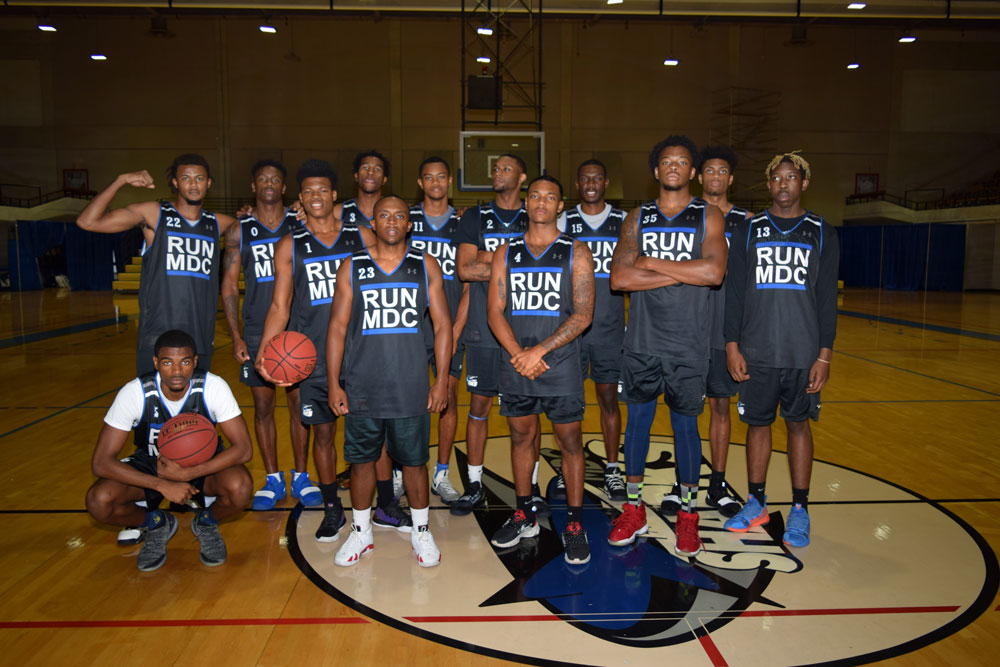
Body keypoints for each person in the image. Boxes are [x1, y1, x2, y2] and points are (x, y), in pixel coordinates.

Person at [608, 136, 727, 557]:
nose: (674, 167)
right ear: (656, 171)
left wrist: (653, 263)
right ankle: (634, 509)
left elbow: (714, 272)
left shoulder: (707, 215)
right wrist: (685, 272)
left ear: (692, 172)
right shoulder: (637, 217)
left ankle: (688, 518)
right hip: (641, 341)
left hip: (688, 344)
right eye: (666, 162)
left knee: (685, 430)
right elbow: (619, 278)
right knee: (637, 426)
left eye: (682, 162)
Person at [326, 195, 452, 567]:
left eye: (400, 215)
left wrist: (441, 379)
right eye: (385, 215)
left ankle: (421, 531)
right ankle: (361, 532)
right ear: (374, 223)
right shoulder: (352, 266)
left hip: (411, 384)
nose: (393, 221)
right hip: (363, 385)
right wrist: (334, 382)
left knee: (414, 462)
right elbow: (336, 327)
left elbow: (443, 325)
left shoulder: (424, 264)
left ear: (409, 224)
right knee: (362, 461)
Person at [723, 152, 839, 548]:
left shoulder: (821, 230)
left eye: (791, 177)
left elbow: (826, 299)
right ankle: (755, 502)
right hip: (756, 350)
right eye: (777, 178)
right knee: (757, 425)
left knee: (798, 425)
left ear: (804, 183)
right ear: (768, 184)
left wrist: (824, 355)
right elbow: (734, 292)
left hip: (803, 352)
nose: (784, 184)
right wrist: (732, 345)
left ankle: (800, 508)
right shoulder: (750, 228)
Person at [256, 159, 370, 542]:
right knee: (323, 436)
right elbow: (279, 306)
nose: (316, 196)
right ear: (300, 198)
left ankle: (378, 502)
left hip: (360, 353)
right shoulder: (291, 244)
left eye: (323, 190)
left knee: (371, 436)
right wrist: (265, 351)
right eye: (309, 192)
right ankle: (333, 508)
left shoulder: (360, 237)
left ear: (335, 195)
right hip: (312, 359)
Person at [486, 175, 595, 565]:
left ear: (561, 205)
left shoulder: (576, 252)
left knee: (569, 443)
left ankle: (575, 524)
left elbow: (583, 314)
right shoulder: (506, 252)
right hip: (516, 363)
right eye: (535, 196)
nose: (542, 202)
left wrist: (540, 351)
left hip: (560, 364)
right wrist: (519, 353)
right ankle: (524, 512)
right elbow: (495, 311)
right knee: (520, 438)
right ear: (526, 203)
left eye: (551, 196)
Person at [84, 329, 253, 571]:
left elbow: (244, 449)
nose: (176, 371)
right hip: (153, 466)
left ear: (195, 362)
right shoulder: (135, 392)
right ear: (155, 362)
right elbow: (101, 462)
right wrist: (163, 484)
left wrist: (188, 474)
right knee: (98, 500)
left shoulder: (212, 387)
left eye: (184, 362)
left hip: (203, 467)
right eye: (167, 362)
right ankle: (156, 523)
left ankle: (206, 522)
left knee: (241, 487)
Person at [77, 154, 238, 377]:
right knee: (155, 409)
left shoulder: (219, 223)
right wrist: (121, 180)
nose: (193, 184)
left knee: (192, 411)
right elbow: (88, 221)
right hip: (157, 336)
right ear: (175, 182)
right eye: (186, 178)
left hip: (199, 337)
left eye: (199, 178)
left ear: (208, 183)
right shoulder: (154, 214)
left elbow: (267, 229)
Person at [453, 154, 547, 517]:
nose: (497, 173)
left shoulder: (534, 215)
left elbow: (544, 263)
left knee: (528, 414)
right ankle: (474, 484)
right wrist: (514, 263)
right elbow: (464, 269)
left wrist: (488, 258)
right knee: (478, 407)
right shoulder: (475, 216)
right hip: (482, 328)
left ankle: (533, 485)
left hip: (526, 332)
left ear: (522, 177)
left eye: (506, 168)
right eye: (495, 168)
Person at [660, 146, 749, 518]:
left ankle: (717, 483)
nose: (714, 176)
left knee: (720, 406)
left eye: (722, 171)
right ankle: (684, 483)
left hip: (725, 327)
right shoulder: (688, 215)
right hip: (686, 323)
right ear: (699, 176)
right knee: (683, 410)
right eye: (708, 170)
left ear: (731, 178)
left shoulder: (747, 222)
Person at [221, 160, 313, 511]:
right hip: (258, 328)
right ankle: (273, 478)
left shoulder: (300, 223)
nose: (270, 183)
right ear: (253, 185)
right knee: (262, 406)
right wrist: (236, 335)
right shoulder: (238, 229)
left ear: (284, 187)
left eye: (276, 178)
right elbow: (229, 285)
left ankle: (302, 477)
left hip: (297, 329)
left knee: (298, 406)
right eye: (263, 179)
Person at [561, 159, 627, 501]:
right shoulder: (564, 221)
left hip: (609, 329)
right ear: (577, 184)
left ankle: (613, 468)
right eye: (584, 178)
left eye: (596, 178)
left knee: (608, 399)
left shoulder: (624, 222)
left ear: (606, 182)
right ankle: (568, 465)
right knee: (567, 404)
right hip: (571, 330)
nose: (590, 183)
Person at [408, 157, 469, 505]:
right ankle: (406, 471)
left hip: (450, 324)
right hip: (410, 327)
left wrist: (458, 325)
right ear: (420, 182)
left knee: (448, 397)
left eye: (441, 176)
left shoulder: (464, 223)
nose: (435, 182)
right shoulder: (405, 219)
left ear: (450, 181)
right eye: (428, 176)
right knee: (409, 401)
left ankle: (442, 474)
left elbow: (470, 282)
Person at [336, 150, 390, 228]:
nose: (370, 172)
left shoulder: (395, 212)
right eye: (365, 167)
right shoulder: (339, 212)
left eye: (377, 169)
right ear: (356, 176)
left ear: (384, 180)